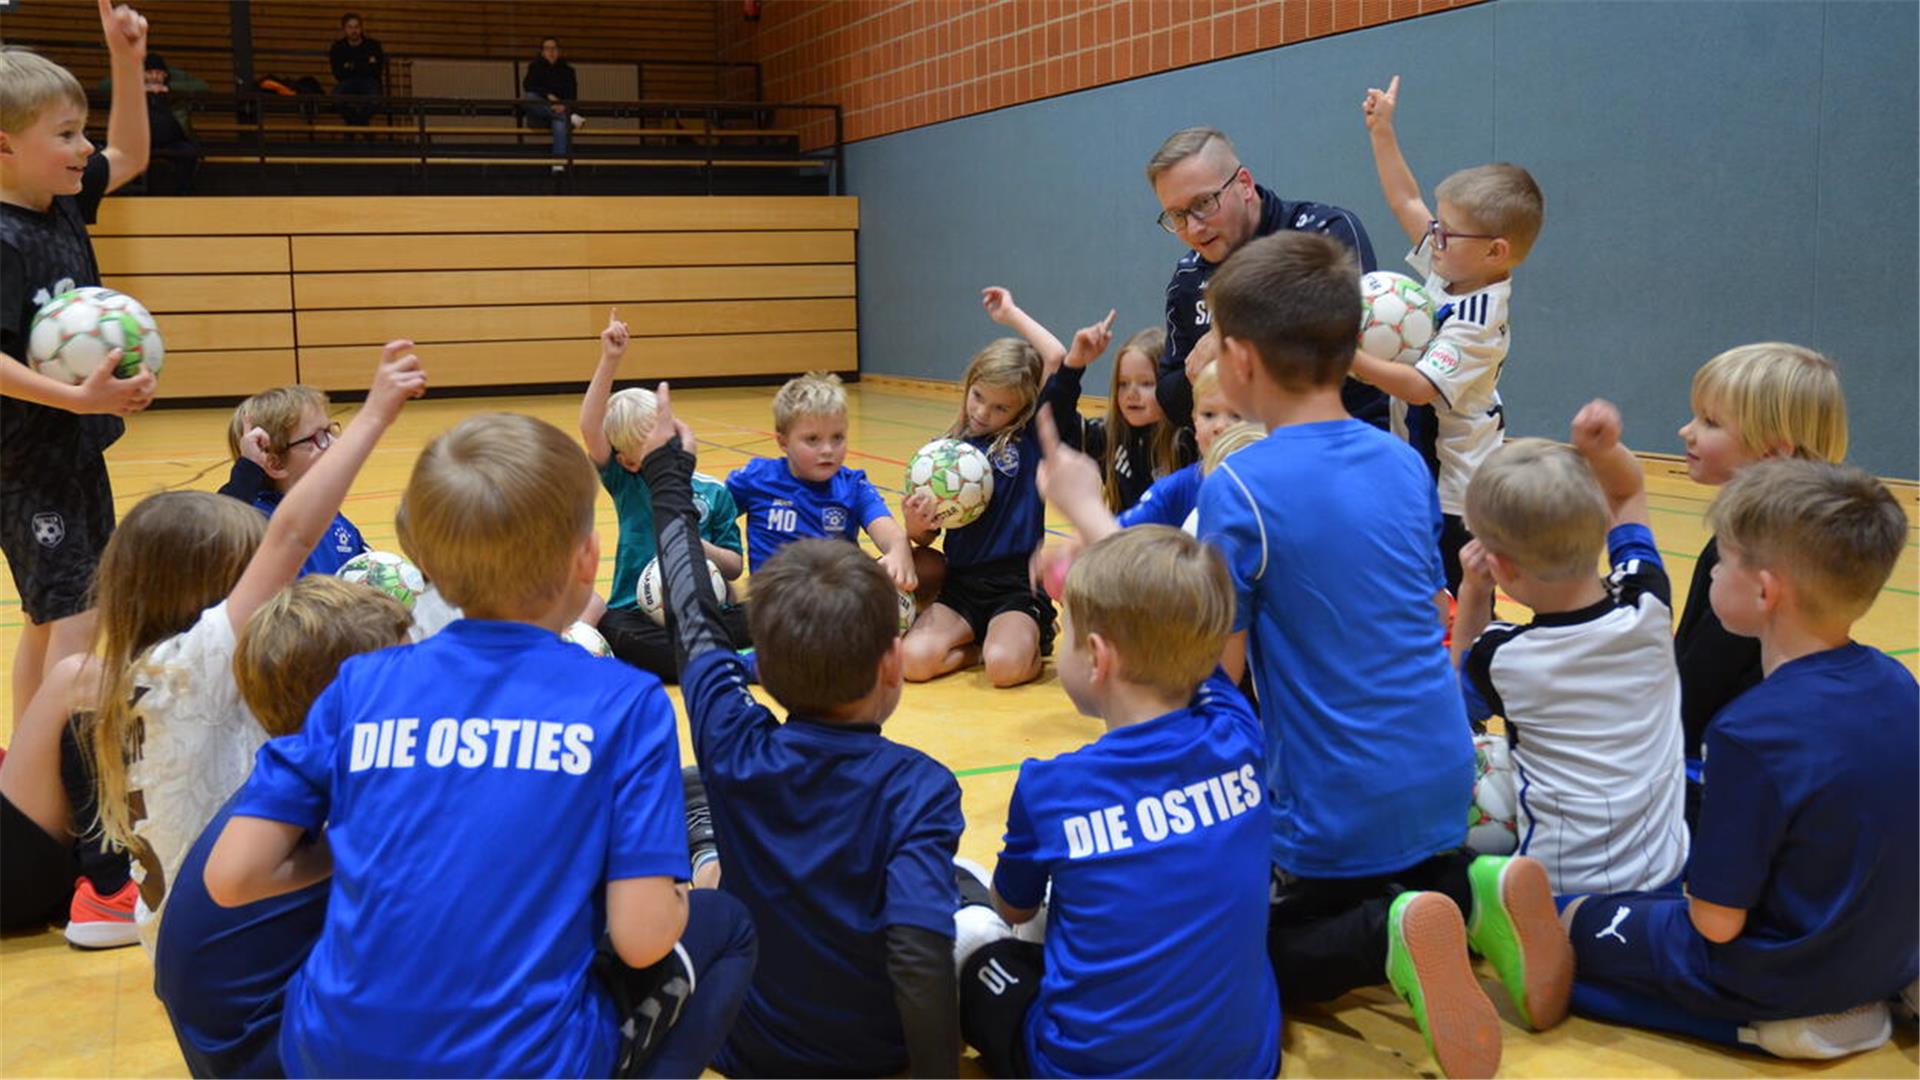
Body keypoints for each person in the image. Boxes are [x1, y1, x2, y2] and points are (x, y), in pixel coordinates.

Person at [205, 410, 758, 1077]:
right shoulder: (623, 701)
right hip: (523, 1063)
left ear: (426, 567)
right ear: (587, 558)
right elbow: (643, 941)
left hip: (328, 1054)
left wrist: (359, 842)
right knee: (726, 925)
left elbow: (233, 877)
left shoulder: (361, 683)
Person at [1194, 232, 1570, 1077]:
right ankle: (1474, 894)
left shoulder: (1239, 487)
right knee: (1416, 865)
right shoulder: (1402, 463)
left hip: (1335, 805)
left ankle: (1386, 934)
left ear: (1241, 360)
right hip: (1443, 774)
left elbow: (1221, 671)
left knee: (1244, 957)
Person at [643, 382, 968, 1077]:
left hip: (741, 1049)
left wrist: (668, 470)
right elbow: (916, 953)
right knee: (971, 906)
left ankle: (704, 848)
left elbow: (693, 613)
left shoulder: (731, 738)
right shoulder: (922, 789)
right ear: (893, 667)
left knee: (699, 794)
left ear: (762, 664)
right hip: (871, 1057)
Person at [1559, 459, 1915, 1061]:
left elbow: (1716, 924)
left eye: (1721, 560)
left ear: (1765, 589)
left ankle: (1771, 1026)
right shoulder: (1899, 682)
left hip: (1787, 972)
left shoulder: (1751, 730)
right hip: (1891, 949)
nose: (1713, 572)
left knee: (1564, 921)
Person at [86, 343, 424, 953]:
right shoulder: (190, 666)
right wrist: (375, 413)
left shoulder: (134, 675)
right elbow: (291, 535)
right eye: (244, 568)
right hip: (233, 945)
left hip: (182, 941)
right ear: (209, 587)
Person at [958, 510, 1282, 1076]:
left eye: (1069, 631)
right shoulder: (1239, 731)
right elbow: (1189, 639)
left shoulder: (1052, 787)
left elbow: (1014, 907)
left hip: (1084, 1068)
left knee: (976, 940)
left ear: (1099, 658)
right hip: (1245, 1063)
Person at [153, 576, 411, 1078]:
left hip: (242, 1039)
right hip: (263, 1052)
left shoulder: (299, 770)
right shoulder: (339, 790)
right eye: (406, 669)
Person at [1450, 401, 1688, 895]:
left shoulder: (1504, 657)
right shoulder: (1646, 603)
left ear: (1502, 569)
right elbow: (1629, 490)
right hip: (1668, 873)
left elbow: (1453, 703)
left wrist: (1474, 591)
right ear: (1600, 524)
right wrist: (1606, 450)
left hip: (1560, 889)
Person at [0, 2, 155, 725]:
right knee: (77, 619)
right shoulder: (2, 238)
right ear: (4, 146)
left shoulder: (60, 200)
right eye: (66, 134)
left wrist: (125, 62)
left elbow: (131, 156)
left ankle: (21, 773)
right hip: (23, 459)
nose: (86, 147)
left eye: (82, 129)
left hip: (70, 446)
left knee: (51, 616)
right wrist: (76, 400)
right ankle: (59, 770)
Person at [1353, 75, 1545, 597]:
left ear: (1495, 252)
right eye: (1436, 226)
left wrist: (1349, 356)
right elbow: (1405, 199)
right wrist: (1382, 132)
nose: (1432, 237)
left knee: (1454, 594)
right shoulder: (1451, 267)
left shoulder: (1480, 317)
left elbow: (1417, 388)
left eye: (1447, 232)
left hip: (1457, 490)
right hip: (1420, 471)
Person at [1671, 343, 1847, 824]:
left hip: (1719, 776)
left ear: (1773, 451)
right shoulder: (1760, 532)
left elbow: (1705, 676)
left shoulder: (1756, 554)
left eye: (1709, 422)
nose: (1686, 431)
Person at [1146, 126, 1386, 443]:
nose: (1193, 227)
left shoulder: (1323, 233)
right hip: (1242, 466)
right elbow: (1170, 395)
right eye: (1177, 215)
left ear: (1244, 184)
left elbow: (1345, 339)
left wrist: (1232, 336)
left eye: (1203, 203)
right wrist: (1201, 377)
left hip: (1348, 448)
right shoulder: (1188, 277)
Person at [579, 310, 750, 681]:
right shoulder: (628, 486)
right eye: (651, 445)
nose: (665, 445)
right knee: (619, 633)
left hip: (706, 610)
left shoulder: (715, 492)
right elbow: (589, 426)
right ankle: (728, 661)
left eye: (667, 431)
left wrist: (695, 545)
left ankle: (716, 655)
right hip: (637, 615)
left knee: (762, 617)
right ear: (628, 463)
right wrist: (610, 360)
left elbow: (735, 567)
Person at [900, 335, 1066, 688]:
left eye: (1000, 408)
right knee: (912, 662)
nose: (982, 412)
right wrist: (916, 525)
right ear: (969, 384)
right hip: (962, 585)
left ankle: (1036, 631)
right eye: (978, 397)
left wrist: (1009, 313)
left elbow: (1056, 356)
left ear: (1022, 409)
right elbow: (926, 536)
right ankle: (977, 649)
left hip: (1017, 587)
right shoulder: (942, 454)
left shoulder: (1031, 438)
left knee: (1004, 669)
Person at [982, 288, 1178, 512]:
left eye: (1146, 383)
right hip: (1125, 544)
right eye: (1123, 384)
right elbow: (1052, 425)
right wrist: (1073, 366)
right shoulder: (1110, 436)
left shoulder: (1184, 440)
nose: (1131, 394)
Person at [723, 370, 916, 589]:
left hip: (832, 601)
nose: (827, 450)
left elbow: (889, 531)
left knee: (924, 567)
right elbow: (712, 515)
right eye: (812, 439)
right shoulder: (755, 479)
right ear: (783, 442)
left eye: (837, 438)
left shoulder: (853, 485)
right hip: (775, 604)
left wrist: (898, 551)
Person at [217, 385, 368, 576]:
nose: (335, 444)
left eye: (331, 431)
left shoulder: (332, 519)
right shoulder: (258, 529)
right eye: (318, 437)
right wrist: (249, 469)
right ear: (276, 464)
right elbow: (217, 538)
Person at [1113, 360, 1246, 531]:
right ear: (1194, 421)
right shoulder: (1177, 489)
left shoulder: (1278, 484)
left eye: (1236, 416)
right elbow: (1115, 535)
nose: (1219, 426)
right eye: (1208, 414)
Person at [136, 54, 200, 195]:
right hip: (141, 142)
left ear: (165, 75)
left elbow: (203, 86)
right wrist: (143, 89)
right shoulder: (133, 93)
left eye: (159, 73)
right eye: (150, 73)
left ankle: (184, 192)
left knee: (189, 152)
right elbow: (106, 85)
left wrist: (169, 89)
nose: (154, 77)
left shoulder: (175, 94)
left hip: (172, 141)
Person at [523, 36, 584, 158]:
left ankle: (558, 164)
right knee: (530, 97)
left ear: (559, 51)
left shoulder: (568, 71)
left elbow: (572, 94)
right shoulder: (535, 67)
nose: (551, 52)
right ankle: (569, 116)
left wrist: (562, 106)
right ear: (542, 52)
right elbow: (529, 86)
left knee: (560, 122)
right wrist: (549, 97)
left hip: (561, 110)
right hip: (540, 115)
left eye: (554, 48)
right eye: (547, 48)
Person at [328, 13, 384, 127]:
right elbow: (338, 73)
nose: (354, 30)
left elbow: (377, 71)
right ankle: (361, 124)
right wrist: (365, 64)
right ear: (344, 29)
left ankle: (353, 124)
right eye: (350, 27)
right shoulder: (338, 47)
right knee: (335, 98)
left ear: (361, 28)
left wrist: (350, 66)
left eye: (357, 27)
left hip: (369, 81)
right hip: (347, 82)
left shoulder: (373, 45)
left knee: (376, 99)